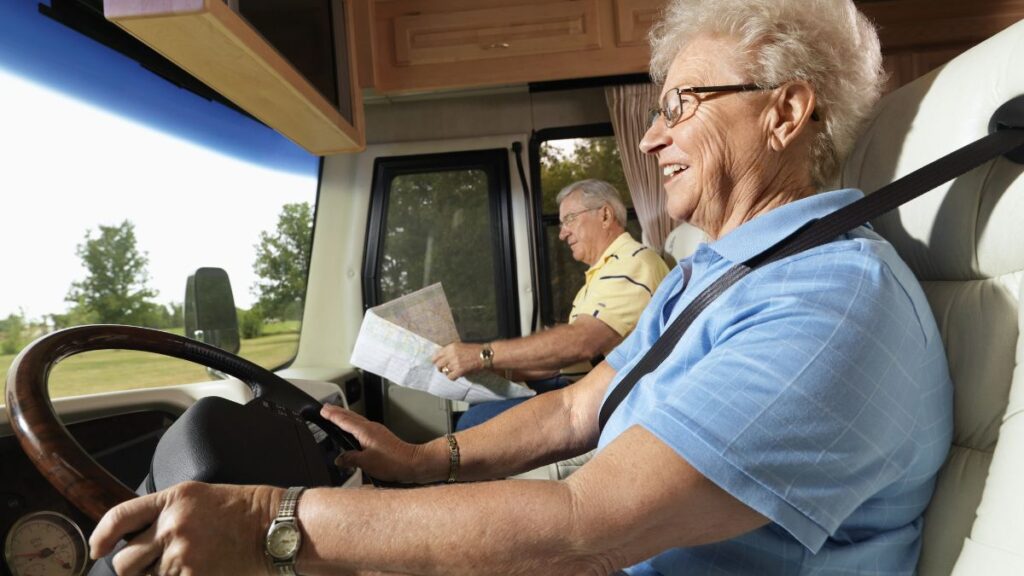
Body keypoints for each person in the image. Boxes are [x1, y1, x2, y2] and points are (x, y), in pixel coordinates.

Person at [89, 0, 954, 574]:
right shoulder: (720, 271)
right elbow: (585, 410)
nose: (651, 141)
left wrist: (268, 525)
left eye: (682, 103)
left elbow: (584, 524)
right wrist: (425, 463)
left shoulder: (830, 302)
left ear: (785, 112)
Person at [435, 179, 669, 430]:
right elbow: (563, 362)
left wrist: (483, 355)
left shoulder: (632, 263)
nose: (562, 233)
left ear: (605, 215)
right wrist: (502, 373)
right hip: (584, 384)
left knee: (471, 423)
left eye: (569, 219)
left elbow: (581, 342)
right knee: (476, 409)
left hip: (607, 397)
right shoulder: (600, 274)